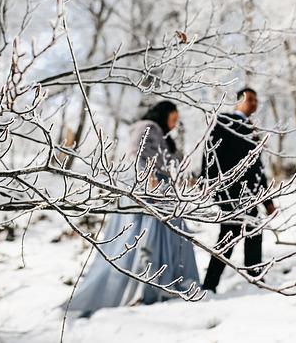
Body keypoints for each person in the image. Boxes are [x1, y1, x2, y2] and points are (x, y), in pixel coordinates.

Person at [65, 101, 199, 316]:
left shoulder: (166, 138)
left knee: (172, 236)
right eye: (173, 118)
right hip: (148, 189)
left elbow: (174, 164)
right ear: (164, 114)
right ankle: (148, 289)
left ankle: (166, 286)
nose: (175, 124)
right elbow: (136, 154)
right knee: (148, 239)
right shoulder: (146, 126)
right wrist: (149, 178)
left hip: (164, 193)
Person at [201, 88, 275, 293]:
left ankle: (248, 279)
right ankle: (214, 285)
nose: (254, 103)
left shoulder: (252, 129)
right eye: (250, 99)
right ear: (239, 101)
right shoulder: (225, 122)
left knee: (248, 230)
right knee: (232, 234)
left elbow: (257, 167)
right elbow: (210, 153)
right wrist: (210, 185)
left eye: (256, 100)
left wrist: (267, 200)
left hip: (248, 194)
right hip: (229, 191)